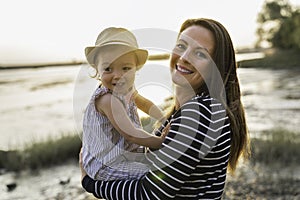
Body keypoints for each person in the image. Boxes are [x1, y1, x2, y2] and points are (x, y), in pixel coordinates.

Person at [80, 18, 250, 199]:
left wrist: (90, 184)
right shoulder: (190, 111)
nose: (184, 58)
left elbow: (150, 193)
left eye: (200, 54)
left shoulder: (199, 114)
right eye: (182, 46)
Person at [82, 27, 166, 182]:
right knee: (153, 175)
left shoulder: (127, 90)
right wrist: (162, 142)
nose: (118, 75)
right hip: (106, 164)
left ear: (136, 68)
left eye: (126, 68)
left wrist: (165, 118)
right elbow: (130, 133)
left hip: (124, 153)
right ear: (97, 69)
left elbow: (145, 104)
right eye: (108, 69)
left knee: (163, 162)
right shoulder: (106, 99)